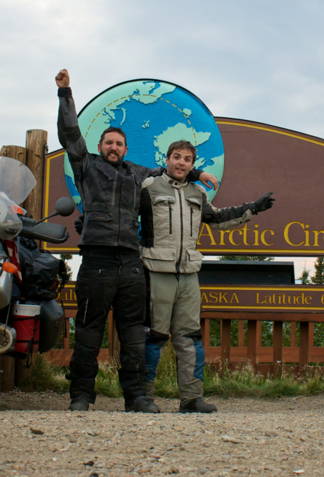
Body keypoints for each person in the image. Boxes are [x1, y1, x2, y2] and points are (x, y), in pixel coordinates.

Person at [55, 70, 219, 413]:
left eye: (119, 144)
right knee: (88, 332)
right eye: (108, 143)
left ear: (126, 149)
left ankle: (137, 398)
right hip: (97, 261)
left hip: (131, 263)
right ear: (100, 147)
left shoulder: (140, 174)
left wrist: (199, 171)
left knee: (133, 334)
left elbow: (174, 168)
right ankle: (81, 396)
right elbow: (70, 134)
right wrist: (65, 94)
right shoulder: (87, 168)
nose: (113, 147)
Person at [139, 139, 274, 413]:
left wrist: (254, 208)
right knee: (153, 337)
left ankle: (191, 398)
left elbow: (220, 219)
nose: (181, 162)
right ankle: (142, 397)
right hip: (156, 272)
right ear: (167, 159)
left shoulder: (198, 194)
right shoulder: (148, 187)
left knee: (190, 337)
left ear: (191, 163)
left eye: (187, 159)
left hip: (189, 274)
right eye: (176, 157)